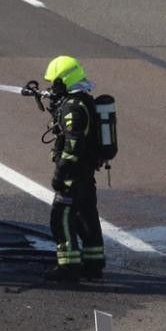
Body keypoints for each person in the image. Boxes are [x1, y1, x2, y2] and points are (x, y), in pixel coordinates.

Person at [38, 55, 105, 283]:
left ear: (64, 81)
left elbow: (72, 145)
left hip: (73, 176)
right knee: (87, 217)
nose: (52, 87)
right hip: (86, 174)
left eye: (54, 82)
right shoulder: (85, 101)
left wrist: (60, 174)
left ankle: (68, 267)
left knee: (61, 217)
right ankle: (94, 264)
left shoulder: (73, 109)